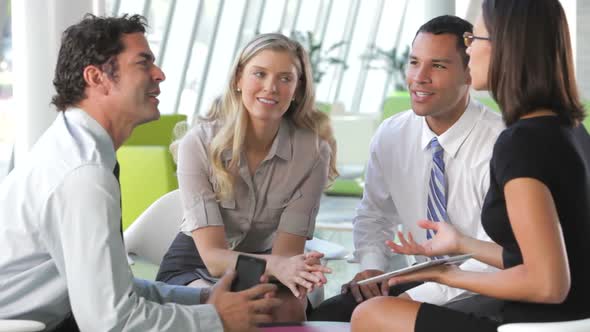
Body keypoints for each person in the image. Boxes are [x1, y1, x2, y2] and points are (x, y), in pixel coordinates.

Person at [0, 14, 282, 331]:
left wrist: (202, 300)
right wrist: (216, 320)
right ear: (97, 78)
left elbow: (114, 292)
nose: (159, 75)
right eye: (143, 63)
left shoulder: (73, 149)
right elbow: (111, 323)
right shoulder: (83, 175)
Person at [350, 0, 590, 331]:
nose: (469, 50)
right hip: (572, 318)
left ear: (507, 48)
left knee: (370, 315)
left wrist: (452, 275)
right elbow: (541, 256)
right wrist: (463, 245)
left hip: (535, 322)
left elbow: (548, 283)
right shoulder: (567, 128)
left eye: (474, 39)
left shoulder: (518, 142)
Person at [309, 15, 505, 322]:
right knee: (326, 317)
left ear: (469, 73)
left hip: (487, 289)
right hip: (421, 277)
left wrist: (407, 299)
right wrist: (372, 267)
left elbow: (493, 258)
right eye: (414, 62)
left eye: (438, 66)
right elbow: (374, 213)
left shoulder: (500, 144)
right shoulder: (392, 134)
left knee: (375, 318)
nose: (419, 77)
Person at [155, 33, 338, 322]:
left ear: (298, 89)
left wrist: (292, 268)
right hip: (196, 265)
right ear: (238, 78)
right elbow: (214, 258)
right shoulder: (199, 144)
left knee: (287, 309)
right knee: (217, 312)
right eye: (259, 74)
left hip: (266, 267)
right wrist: (280, 266)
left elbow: (288, 253)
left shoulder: (313, 152)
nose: (271, 88)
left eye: (285, 78)